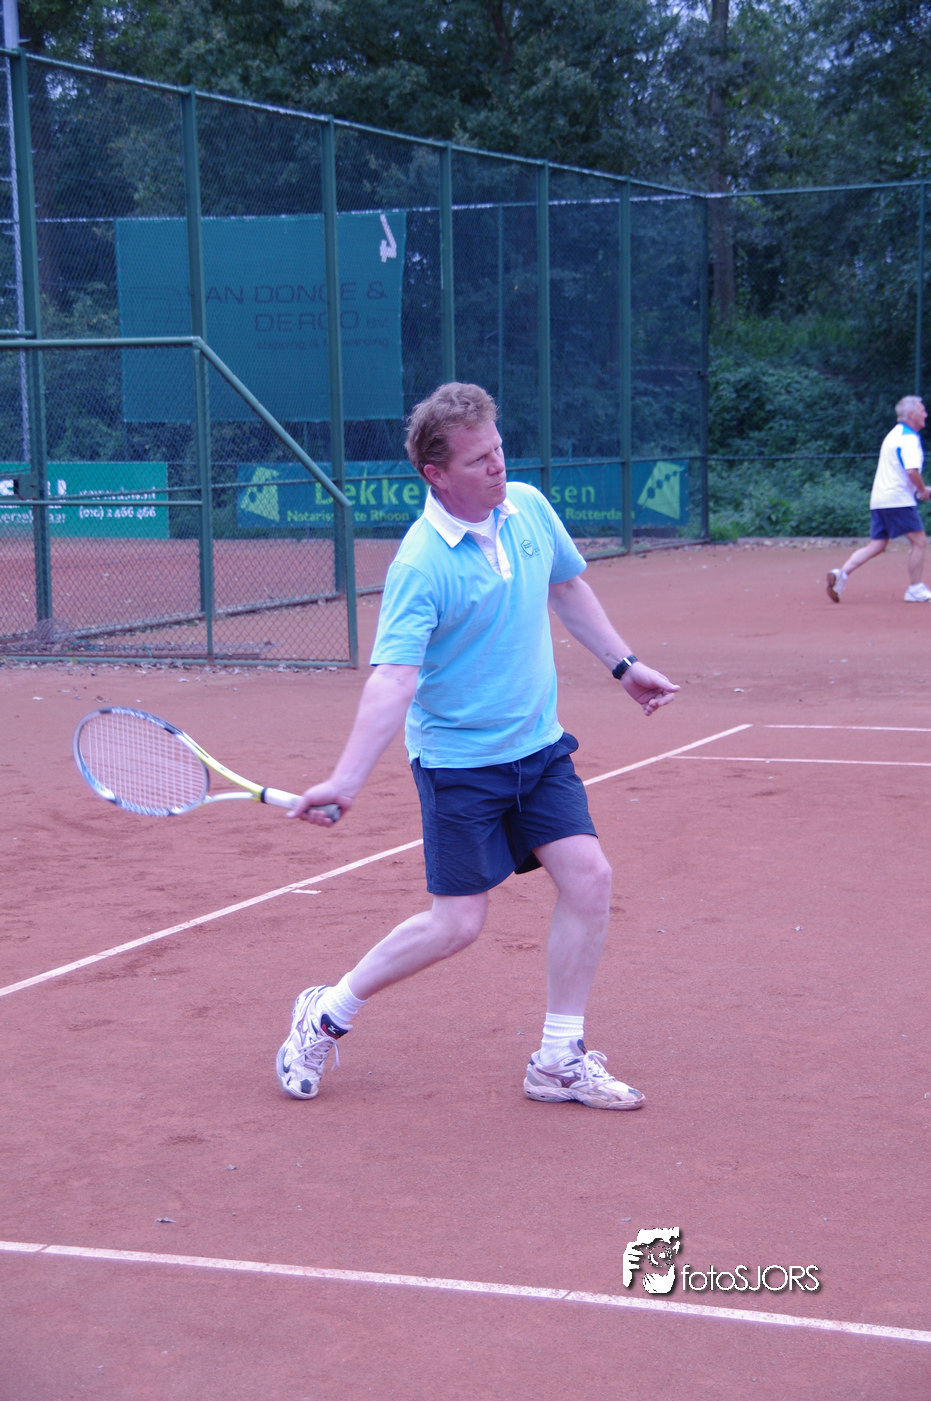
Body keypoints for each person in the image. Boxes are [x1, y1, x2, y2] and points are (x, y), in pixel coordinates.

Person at [277, 382, 679, 1111]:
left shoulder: (527, 507)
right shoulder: (420, 565)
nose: (498, 466)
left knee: (589, 878)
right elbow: (394, 678)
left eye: (498, 449)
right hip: (460, 764)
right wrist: (346, 779)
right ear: (435, 474)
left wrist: (624, 666)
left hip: (539, 749)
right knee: (457, 923)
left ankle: (557, 1060)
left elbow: (567, 588)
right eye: (479, 459)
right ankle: (328, 1011)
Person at [827, 395, 930, 603]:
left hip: (879, 500)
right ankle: (915, 589)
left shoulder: (892, 435)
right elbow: (911, 471)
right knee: (919, 541)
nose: (926, 414)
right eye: (922, 410)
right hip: (898, 500)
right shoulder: (909, 439)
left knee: (877, 544)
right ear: (911, 414)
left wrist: (921, 488)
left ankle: (841, 574)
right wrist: (922, 491)